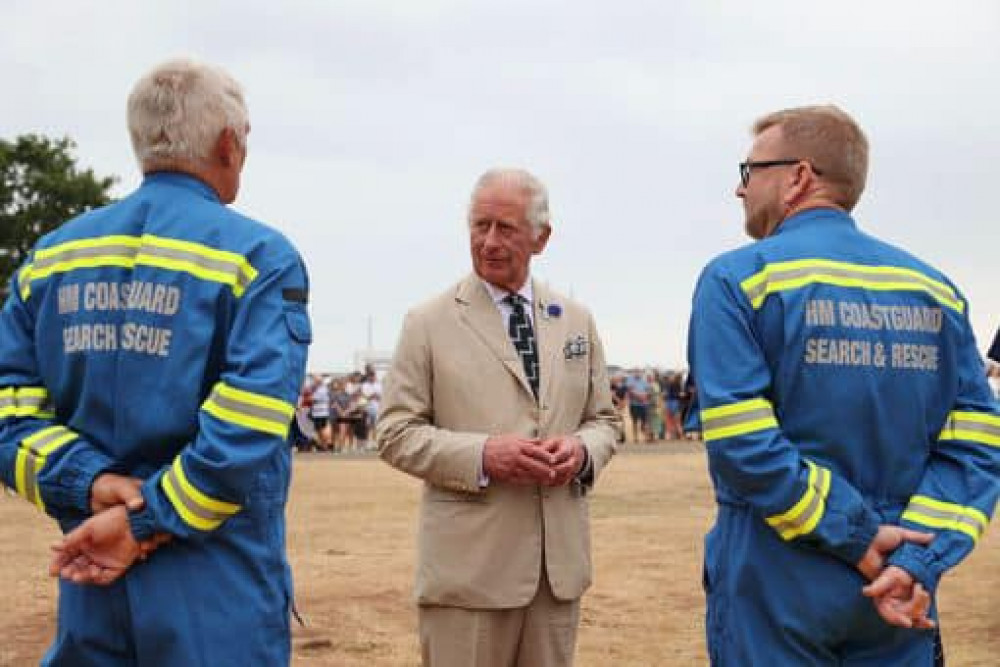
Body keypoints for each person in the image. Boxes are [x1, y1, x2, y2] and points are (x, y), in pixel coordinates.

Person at [0, 57, 311, 665]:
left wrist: (90, 482)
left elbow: (9, 415)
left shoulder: (50, 258)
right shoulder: (259, 257)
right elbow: (245, 429)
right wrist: (143, 525)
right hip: (217, 583)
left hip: (91, 570)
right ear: (227, 144)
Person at [688, 105, 998, 665]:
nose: (740, 189)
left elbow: (741, 443)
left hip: (775, 571)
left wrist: (856, 538)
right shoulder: (937, 291)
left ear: (799, 177)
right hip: (898, 588)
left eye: (749, 170)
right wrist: (912, 562)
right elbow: (975, 449)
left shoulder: (738, 279)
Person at [375, 167, 620, 667]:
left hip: (557, 578)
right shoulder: (428, 323)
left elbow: (605, 422)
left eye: (505, 228)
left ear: (541, 237)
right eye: (479, 226)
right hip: (469, 578)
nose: (489, 242)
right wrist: (484, 455)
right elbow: (395, 432)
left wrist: (580, 452)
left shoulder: (576, 319)